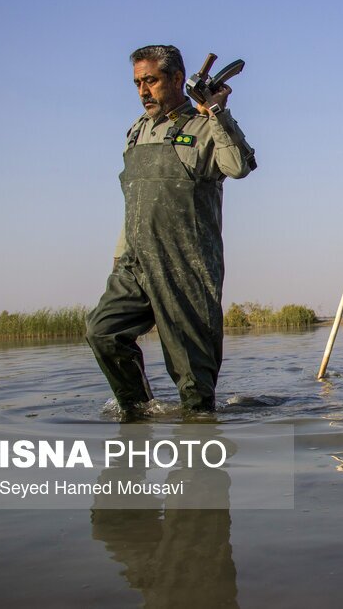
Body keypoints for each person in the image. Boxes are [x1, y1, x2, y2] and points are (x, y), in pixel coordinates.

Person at [86, 45, 256, 411]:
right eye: (137, 83)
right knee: (103, 331)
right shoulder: (137, 132)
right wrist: (119, 257)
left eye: (151, 80)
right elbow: (135, 202)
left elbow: (238, 167)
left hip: (186, 266)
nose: (143, 91)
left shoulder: (205, 127)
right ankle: (137, 415)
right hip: (135, 263)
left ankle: (199, 433)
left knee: (193, 381)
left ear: (178, 79)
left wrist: (216, 111)